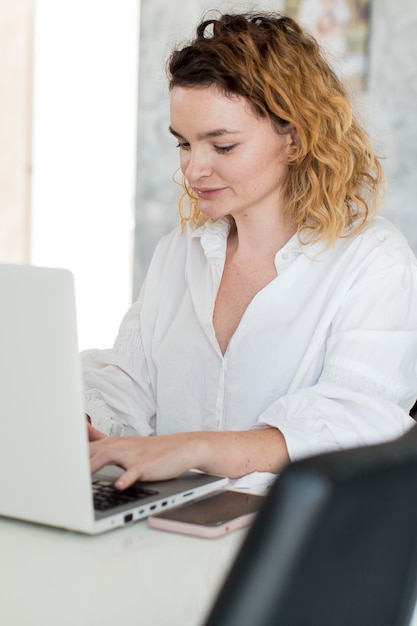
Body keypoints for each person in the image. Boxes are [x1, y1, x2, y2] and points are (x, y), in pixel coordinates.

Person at [85, 11, 417, 491]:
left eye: (222, 146)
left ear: (295, 137)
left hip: (290, 546)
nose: (194, 169)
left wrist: (193, 447)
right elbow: (128, 382)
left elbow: (353, 423)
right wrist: (85, 417)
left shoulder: (374, 261)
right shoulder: (180, 252)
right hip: (169, 531)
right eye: (184, 144)